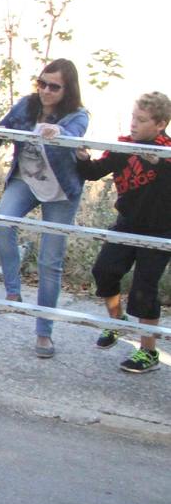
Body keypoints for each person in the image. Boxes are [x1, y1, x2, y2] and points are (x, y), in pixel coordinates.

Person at [0, 59, 89, 358]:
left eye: (53, 87)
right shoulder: (27, 105)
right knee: (2, 223)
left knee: (50, 262)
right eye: (41, 83)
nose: (45, 90)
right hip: (26, 179)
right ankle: (13, 290)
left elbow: (74, 136)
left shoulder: (76, 115)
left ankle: (44, 333)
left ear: (67, 90)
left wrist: (56, 135)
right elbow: (2, 128)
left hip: (60, 190)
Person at [76, 91, 171, 375]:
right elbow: (95, 172)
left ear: (160, 124)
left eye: (141, 120)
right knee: (104, 271)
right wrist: (82, 158)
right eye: (132, 117)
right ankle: (118, 322)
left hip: (160, 230)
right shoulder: (124, 146)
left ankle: (148, 352)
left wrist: (158, 163)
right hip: (127, 222)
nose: (133, 124)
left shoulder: (166, 150)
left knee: (144, 289)